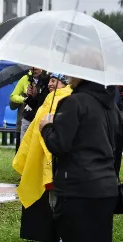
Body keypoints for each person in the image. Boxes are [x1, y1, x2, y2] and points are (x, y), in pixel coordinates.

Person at [40, 66, 122, 241]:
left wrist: (46, 127)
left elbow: (59, 145)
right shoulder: (111, 107)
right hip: (106, 188)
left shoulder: (74, 103)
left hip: (78, 189)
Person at [13, 73, 70, 242]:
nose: (51, 84)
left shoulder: (65, 100)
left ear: (64, 83)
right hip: (42, 160)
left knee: (53, 207)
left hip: (52, 163)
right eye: (50, 80)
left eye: (54, 81)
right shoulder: (49, 99)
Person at [20, 69, 49, 139]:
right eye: (32, 68)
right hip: (28, 118)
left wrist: (35, 96)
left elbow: (42, 103)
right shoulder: (28, 79)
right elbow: (13, 96)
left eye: (36, 69)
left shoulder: (48, 81)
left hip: (42, 121)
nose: (34, 70)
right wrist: (29, 96)